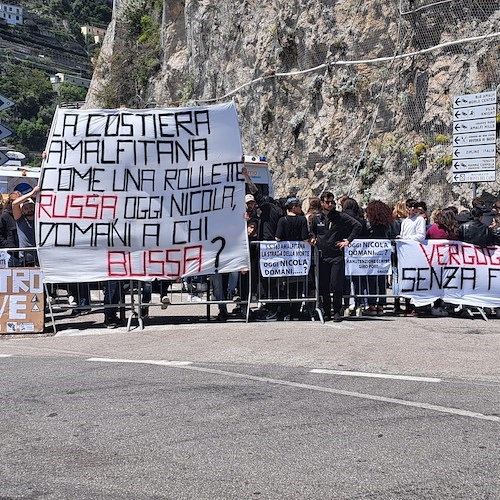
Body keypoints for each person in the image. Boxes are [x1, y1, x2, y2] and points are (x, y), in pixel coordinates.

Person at [310, 191, 362, 322]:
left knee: (336, 284)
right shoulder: (317, 218)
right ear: (322, 203)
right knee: (324, 286)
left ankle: (337, 311)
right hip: (322, 256)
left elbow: (357, 225)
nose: (330, 204)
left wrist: (348, 241)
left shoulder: (340, 216)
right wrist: (313, 238)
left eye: (332, 202)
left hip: (336, 256)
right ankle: (327, 311)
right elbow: (312, 231)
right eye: (328, 202)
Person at [275, 196, 311, 320]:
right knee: (298, 286)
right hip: (299, 258)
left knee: (285, 286)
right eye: (299, 206)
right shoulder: (302, 220)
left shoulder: (282, 220)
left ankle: (286, 312)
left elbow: (278, 238)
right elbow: (305, 238)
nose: (301, 208)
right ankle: (296, 313)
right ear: (293, 207)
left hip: (285, 259)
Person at [365, 200, 395, 316]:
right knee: (382, 279)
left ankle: (372, 304)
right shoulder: (387, 224)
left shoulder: (369, 224)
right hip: (384, 255)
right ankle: (381, 304)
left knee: (372, 279)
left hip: (371, 255)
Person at [340, 197, 368, 317]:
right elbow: (365, 234)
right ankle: (358, 306)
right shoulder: (360, 220)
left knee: (345, 280)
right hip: (358, 254)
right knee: (358, 281)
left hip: (344, 252)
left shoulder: (341, 218)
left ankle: (346, 305)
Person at [12, 186, 40, 266]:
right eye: (26, 208)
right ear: (22, 210)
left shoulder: (39, 219)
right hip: (25, 259)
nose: (29, 210)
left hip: (39, 257)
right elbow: (14, 204)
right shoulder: (20, 220)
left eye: (31, 207)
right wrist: (31, 193)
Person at [0, 191, 21, 266]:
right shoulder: (5, 216)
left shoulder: (23, 213)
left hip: (23, 252)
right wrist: (9, 245)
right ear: (11, 201)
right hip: (11, 253)